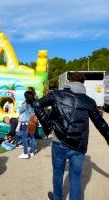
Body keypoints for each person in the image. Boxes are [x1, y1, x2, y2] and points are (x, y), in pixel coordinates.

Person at [33, 72, 109, 200]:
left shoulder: (56, 95)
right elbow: (101, 125)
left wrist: (48, 124)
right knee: (75, 178)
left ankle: (57, 198)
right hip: (78, 146)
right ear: (83, 83)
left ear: (69, 81)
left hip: (59, 142)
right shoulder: (89, 101)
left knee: (58, 174)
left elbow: (37, 104)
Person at [18, 91, 37, 159]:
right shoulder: (35, 103)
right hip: (33, 121)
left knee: (24, 138)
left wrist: (22, 104)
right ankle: (32, 152)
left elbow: (20, 111)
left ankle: (25, 153)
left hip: (26, 122)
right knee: (32, 137)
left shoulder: (25, 104)